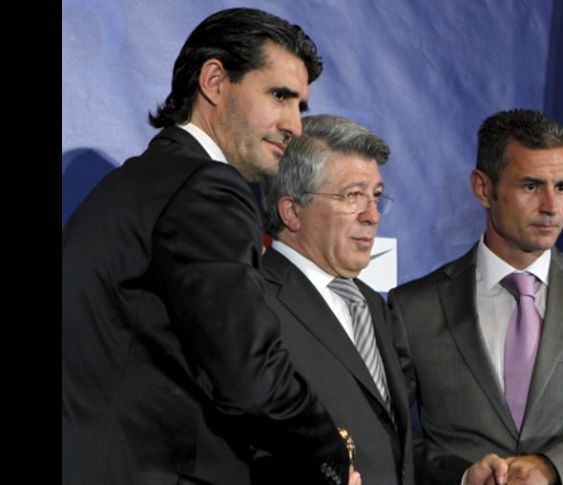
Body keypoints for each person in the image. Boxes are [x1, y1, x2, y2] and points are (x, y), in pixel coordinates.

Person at [62, 9, 356, 485]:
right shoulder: (206, 187)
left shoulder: (137, 183)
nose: (295, 125)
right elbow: (253, 381)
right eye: (279, 96)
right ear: (215, 82)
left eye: (300, 105)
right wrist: (332, 459)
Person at [388, 109, 563, 485]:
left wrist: (555, 467)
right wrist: (461, 475)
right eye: (531, 186)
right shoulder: (413, 308)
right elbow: (382, 429)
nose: (552, 207)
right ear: (483, 189)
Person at [259, 114, 414, 485]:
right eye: (352, 196)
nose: (372, 216)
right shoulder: (254, 300)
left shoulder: (371, 304)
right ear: (292, 211)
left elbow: (389, 445)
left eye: (375, 197)